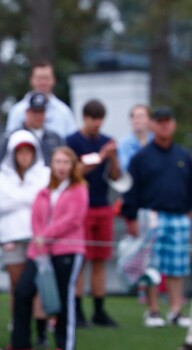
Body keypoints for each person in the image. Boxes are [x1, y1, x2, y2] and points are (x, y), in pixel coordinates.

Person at [0, 147, 88, 350]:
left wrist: (45, 235)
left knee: (65, 297)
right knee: (22, 291)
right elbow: (36, 219)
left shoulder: (79, 189)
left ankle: (65, 348)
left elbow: (73, 219)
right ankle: (21, 344)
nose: (61, 166)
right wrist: (40, 239)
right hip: (40, 251)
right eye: (57, 161)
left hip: (68, 250)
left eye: (66, 162)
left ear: (73, 165)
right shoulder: (44, 191)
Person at [122, 107, 192, 329]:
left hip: (179, 216)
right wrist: (131, 217)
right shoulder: (141, 157)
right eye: (160, 122)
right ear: (152, 125)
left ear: (173, 124)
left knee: (177, 267)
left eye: (167, 121)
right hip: (150, 215)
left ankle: (175, 310)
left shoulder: (183, 155)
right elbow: (130, 189)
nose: (164, 125)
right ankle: (153, 311)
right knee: (150, 267)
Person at [66, 99, 121, 327]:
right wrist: (100, 156)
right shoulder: (72, 141)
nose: (96, 124)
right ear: (85, 118)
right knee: (81, 260)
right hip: (81, 208)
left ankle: (99, 310)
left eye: (99, 120)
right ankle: (77, 311)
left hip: (102, 206)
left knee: (100, 259)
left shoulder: (107, 141)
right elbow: (74, 171)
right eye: (92, 119)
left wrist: (113, 157)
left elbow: (116, 176)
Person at [0, 130, 51, 344]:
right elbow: (4, 203)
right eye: (20, 152)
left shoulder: (45, 174)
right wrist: (30, 197)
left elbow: (44, 201)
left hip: (37, 237)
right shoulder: (2, 177)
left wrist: (22, 197)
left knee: (37, 285)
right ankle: (20, 330)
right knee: (16, 287)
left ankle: (41, 331)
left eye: (29, 152)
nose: (25, 156)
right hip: (11, 237)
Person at [0, 92, 63, 171]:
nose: (38, 116)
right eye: (34, 112)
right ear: (26, 113)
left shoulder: (55, 137)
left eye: (41, 112)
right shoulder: (14, 137)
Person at [5, 61, 77, 138]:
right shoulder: (18, 110)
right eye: (39, 78)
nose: (43, 82)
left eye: (46, 78)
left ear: (53, 80)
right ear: (31, 80)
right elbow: (10, 140)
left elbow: (72, 142)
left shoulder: (64, 111)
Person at [118, 104, 153, 171]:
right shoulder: (123, 144)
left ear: (150, 120)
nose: (136, 120)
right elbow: (125, 168)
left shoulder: (157, 140)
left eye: (141, 116)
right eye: (133, 117)